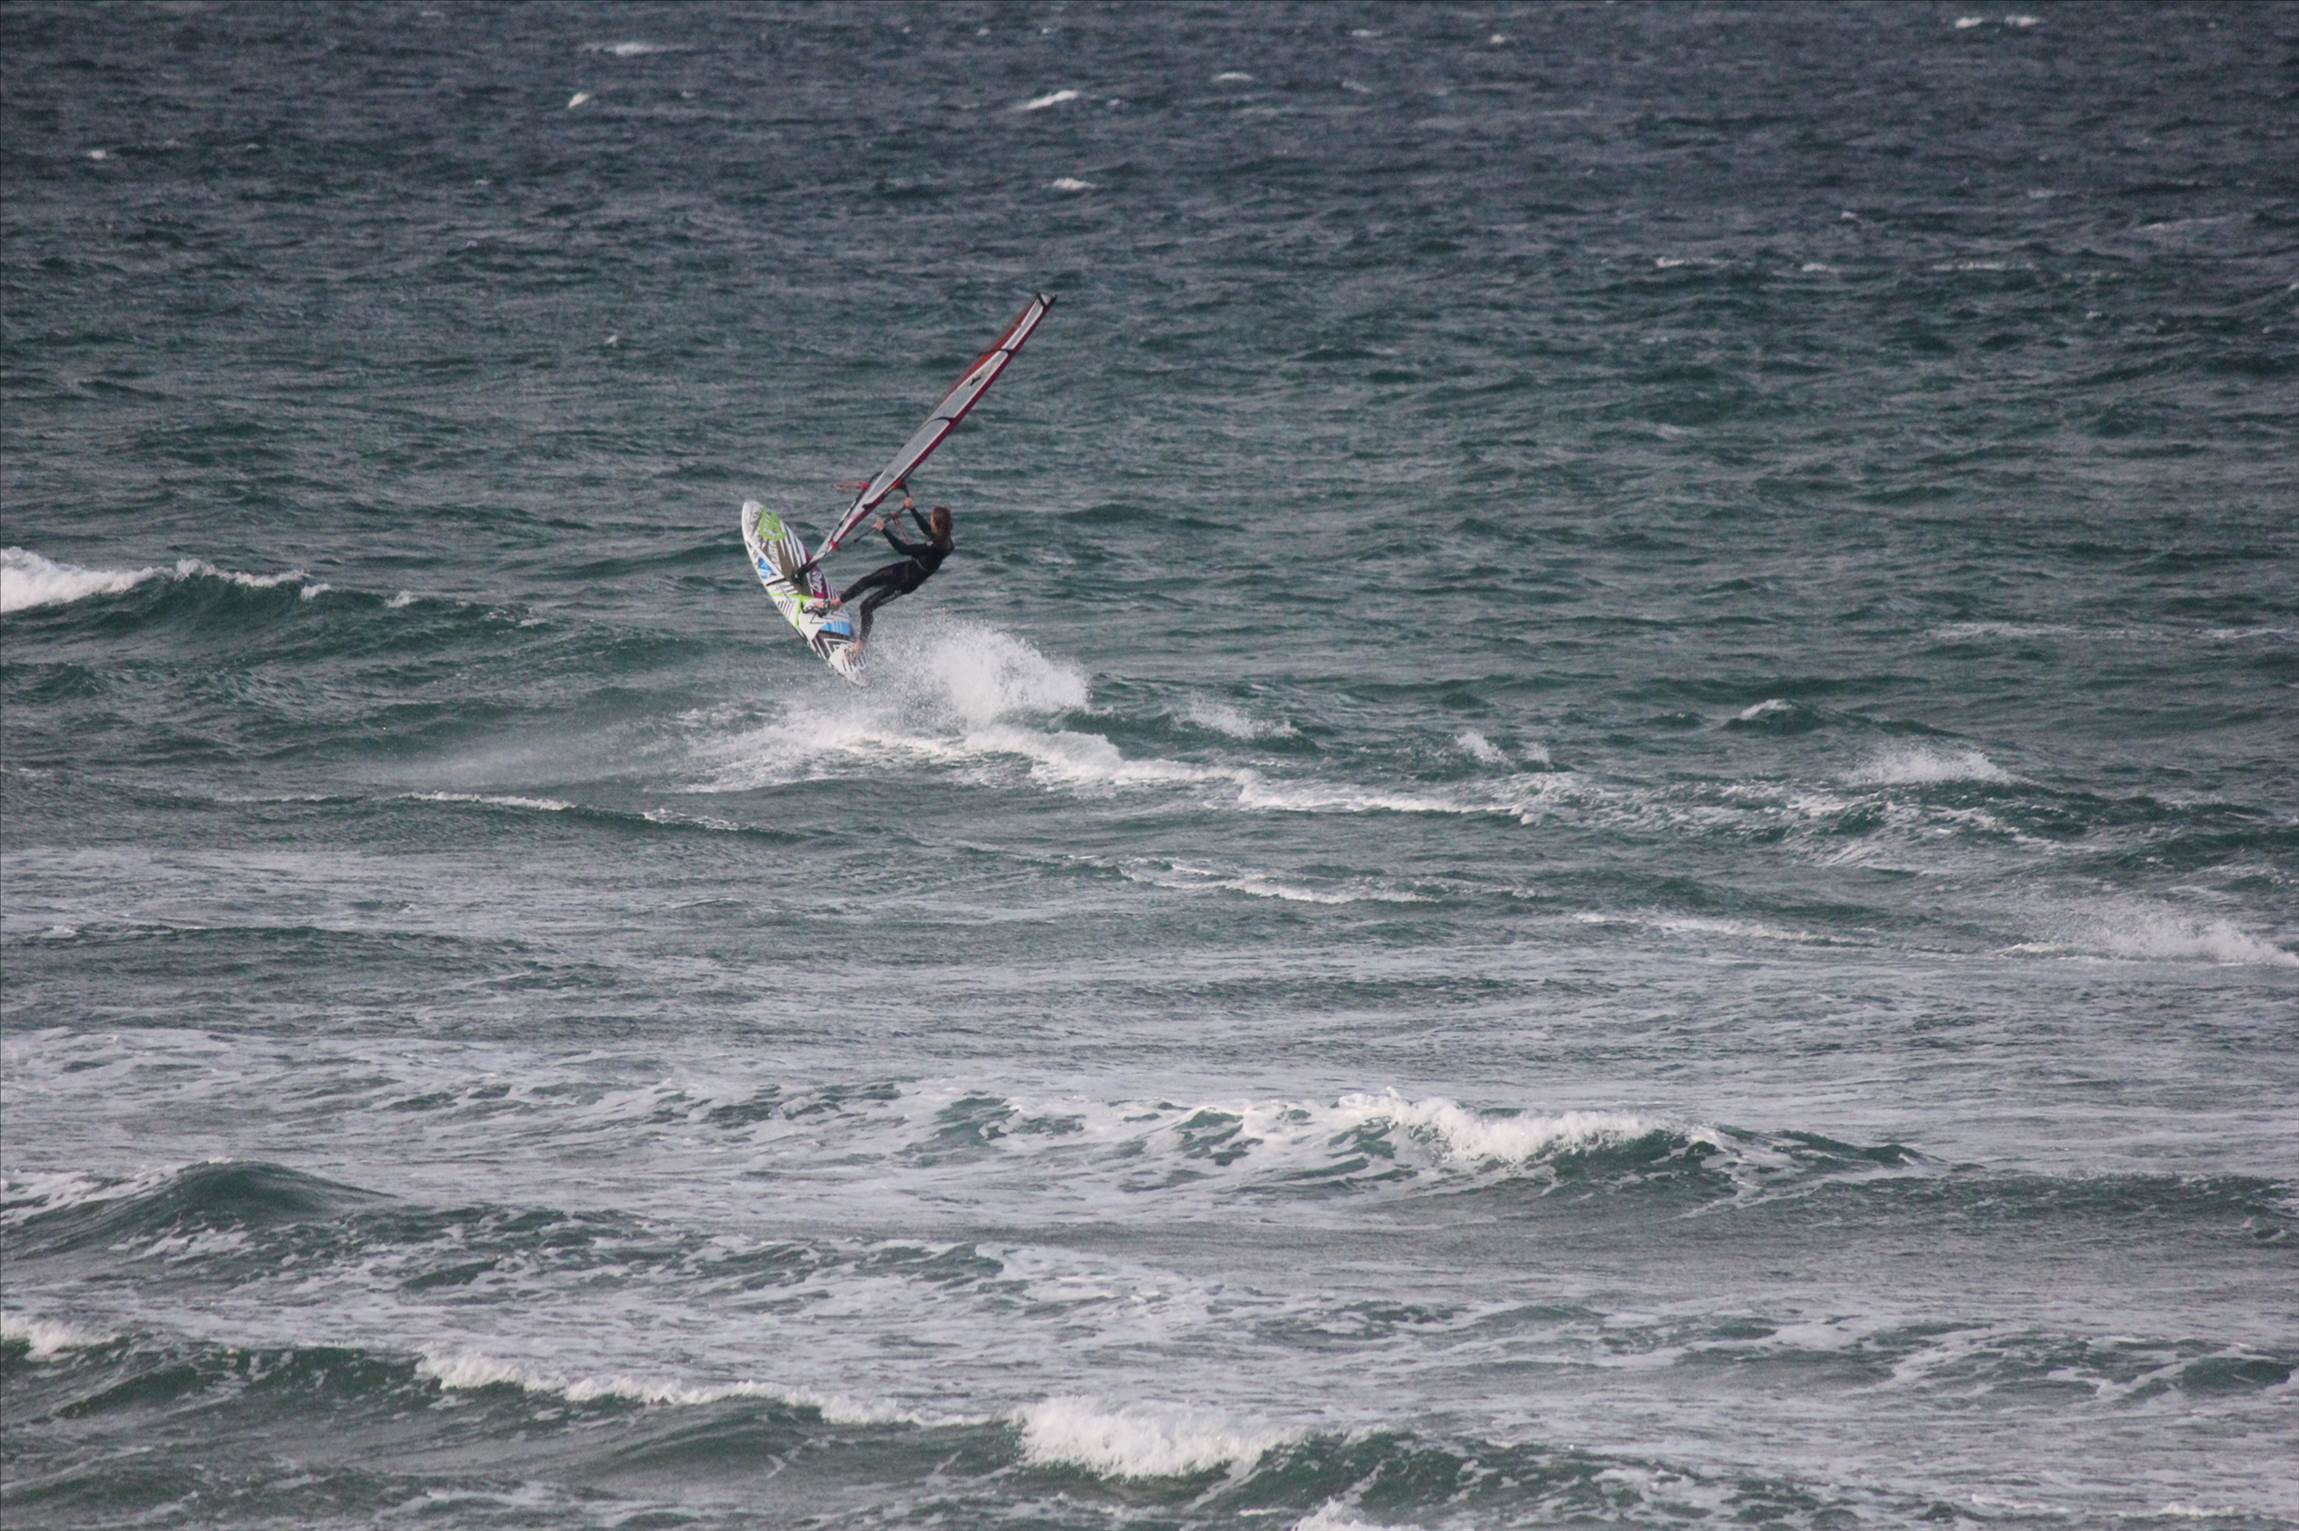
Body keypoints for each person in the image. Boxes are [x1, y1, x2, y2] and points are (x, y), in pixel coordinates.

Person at [814, 493, 953, 653]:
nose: (930, 521)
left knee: (866, 606)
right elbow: (926, 529)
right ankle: (837, 603)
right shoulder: (946, 540)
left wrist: (884, 530)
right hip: (905, 569)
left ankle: (860, 645)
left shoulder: (936, 546)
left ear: (937, 525)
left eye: (931, 519)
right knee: (867, 580)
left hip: (907, 583)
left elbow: (903, 549)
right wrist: (912, 509)